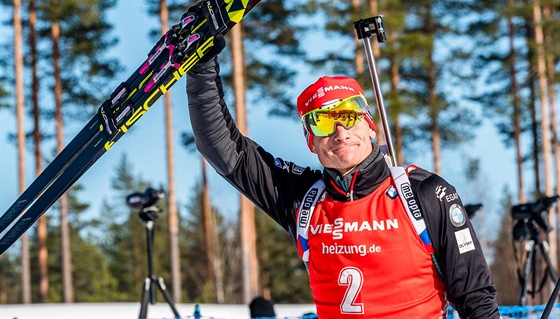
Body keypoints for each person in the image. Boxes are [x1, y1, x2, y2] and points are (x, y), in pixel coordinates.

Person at [186, 37, 499, 318]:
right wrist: (202, 67)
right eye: (323, 121)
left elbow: (475, 299)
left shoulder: (424, 193)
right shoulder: (304, 199)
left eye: (348, 116)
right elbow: (225, 151)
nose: (340, 132)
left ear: (369, 125)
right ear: (311, 141)